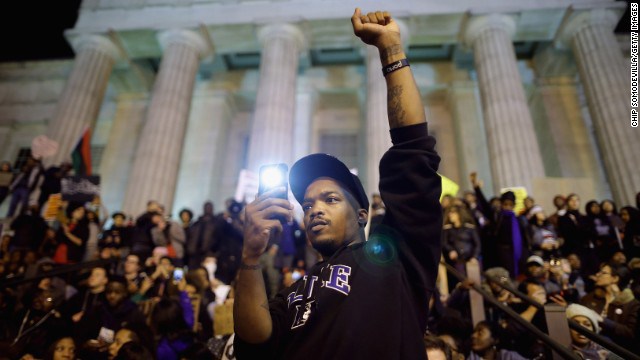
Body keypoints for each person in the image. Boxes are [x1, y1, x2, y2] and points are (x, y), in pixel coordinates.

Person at [234, 8, 442, 359]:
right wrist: (250, 257)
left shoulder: (393, 257)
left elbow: (412, 149)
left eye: (329, 199)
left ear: (362, 214)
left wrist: (391, 51)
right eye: (309, 204)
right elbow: (257, 343)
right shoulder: (294, 291)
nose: (314, 209)